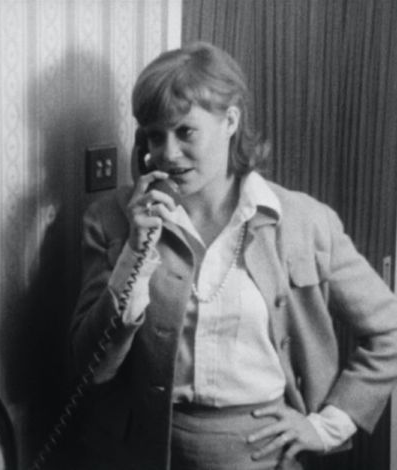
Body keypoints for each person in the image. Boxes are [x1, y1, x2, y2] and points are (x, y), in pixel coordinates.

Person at [67, 41, 397, 470]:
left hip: (264, 456)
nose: (167, 153)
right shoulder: (110, 222)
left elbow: (389, 330)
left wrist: (328, 425)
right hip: (145, 455)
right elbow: (92, 367)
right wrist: (136, 249)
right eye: (154, 135)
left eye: (185, 132)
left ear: (230, 122)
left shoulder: (305, 222)